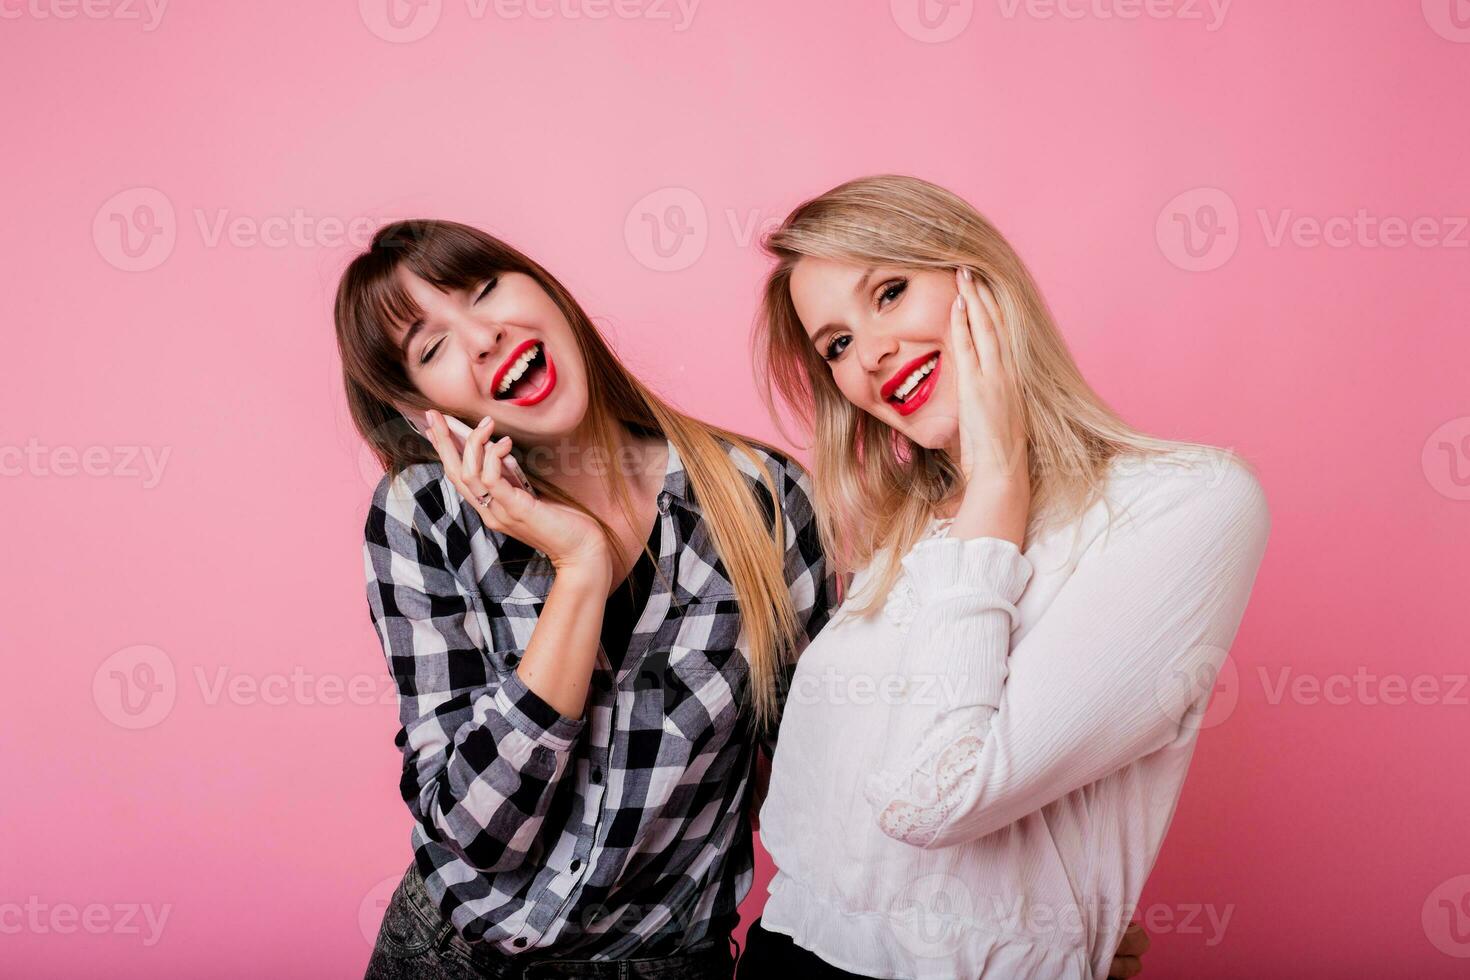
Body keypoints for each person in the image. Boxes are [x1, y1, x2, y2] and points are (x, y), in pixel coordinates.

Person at [741, 175, 1269, 979]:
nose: (871, 354)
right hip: (789, 954)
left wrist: (997, 485)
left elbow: (934, 801)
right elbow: (838, 817)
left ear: (978, 279)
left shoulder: (1185, 501)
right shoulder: (905, 534)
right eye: (838, 345)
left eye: (889, 291)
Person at [339, 219, 834, 978]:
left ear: (546, 289)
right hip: (455, 960)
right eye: (432, 348)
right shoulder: (421, 515)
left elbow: (813, 778)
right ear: (422, 408)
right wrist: (579, 566)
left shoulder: (759, 497)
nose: (481, 338)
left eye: (485, 291)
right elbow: (480, 833)